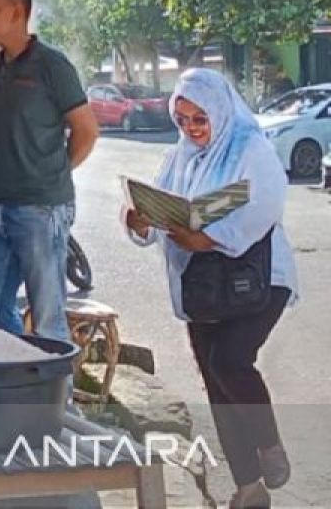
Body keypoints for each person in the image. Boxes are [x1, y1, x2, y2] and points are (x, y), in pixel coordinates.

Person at [124, 69, 297, 509]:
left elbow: (267, 201)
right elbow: (158, 206)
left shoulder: (248, 146)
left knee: (230, 360)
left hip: (256, 280)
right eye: (182, 120)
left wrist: (209, 237)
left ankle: (268, 443)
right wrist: (139, 220)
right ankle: (249, 488)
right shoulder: (181, 157)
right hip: (204, 288)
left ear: (220, 110)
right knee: (216, 384)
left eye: (200, 119)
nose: (192, 129)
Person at [0, 0, 99, 344]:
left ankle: (58, 401)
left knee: (47, 317)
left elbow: (86, 131)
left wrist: (55, 173)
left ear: (18, 12)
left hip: (41, 210)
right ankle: (8, 394)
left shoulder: (52, 65)